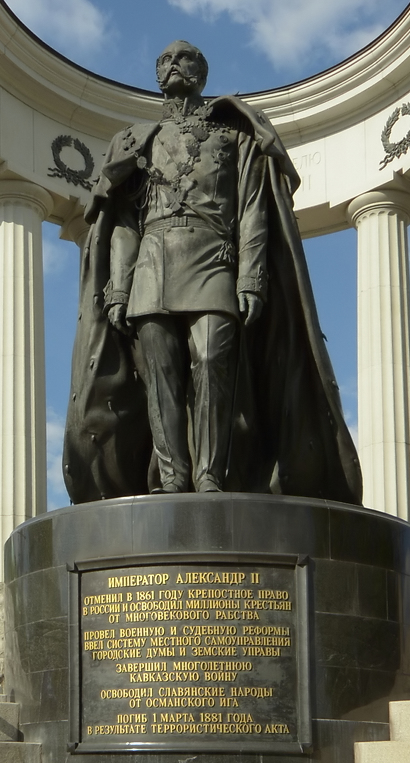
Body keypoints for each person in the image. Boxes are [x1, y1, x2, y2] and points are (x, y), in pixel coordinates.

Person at [64, 39, 362, 504]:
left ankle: (210, 476)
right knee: (160, 372)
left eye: (184, 60)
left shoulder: (237, 137)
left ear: (202, 73)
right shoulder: (134, 141)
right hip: (153, 264)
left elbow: (252, 211)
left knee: (211, 360)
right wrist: (118, 288)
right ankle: (173, 477)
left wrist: (252, 276)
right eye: (164, 60)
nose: (173, 65)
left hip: (214, 259)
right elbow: (123, 224)